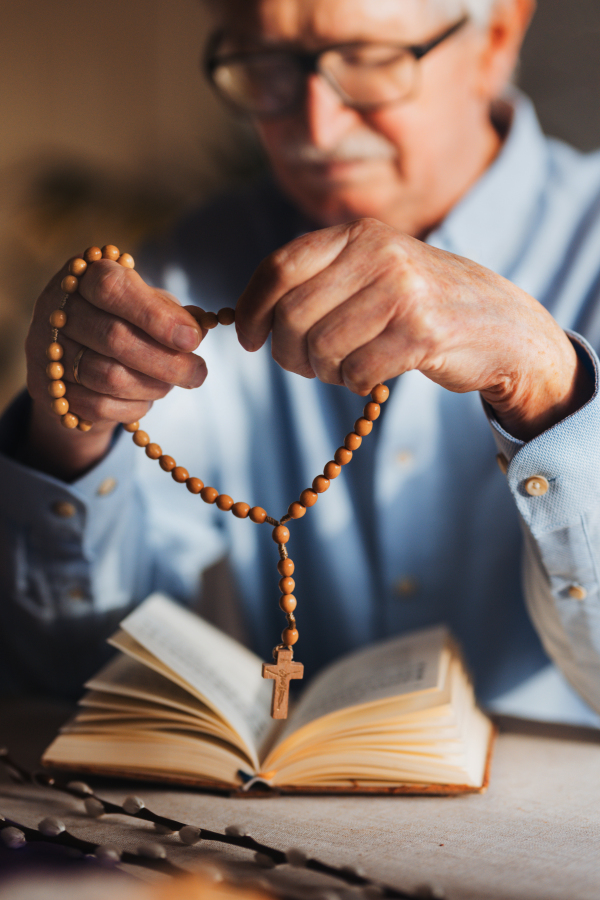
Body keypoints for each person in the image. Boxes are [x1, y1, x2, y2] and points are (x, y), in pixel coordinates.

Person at [1, 0, 600, 723]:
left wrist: (544, 380)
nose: (317, 126)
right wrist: (69, 433)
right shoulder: (189, 275)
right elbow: (76, 674)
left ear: (496, 40)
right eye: (266, 64)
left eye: (371, 59)